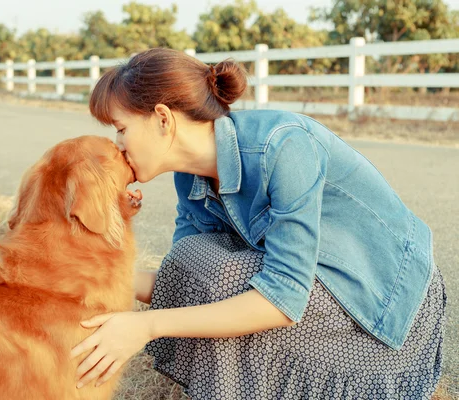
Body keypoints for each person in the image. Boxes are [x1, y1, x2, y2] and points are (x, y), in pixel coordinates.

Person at [69, 48, 446, 399]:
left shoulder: (283, 147)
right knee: (193, 260)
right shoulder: (189, 176)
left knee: (226, 279)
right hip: (311, 279)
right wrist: (86, 276)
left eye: (120, 128)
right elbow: (179, 278)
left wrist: (144, 326)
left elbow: (282, 298)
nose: (117, 144)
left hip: (381, 295)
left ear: (163, 119)